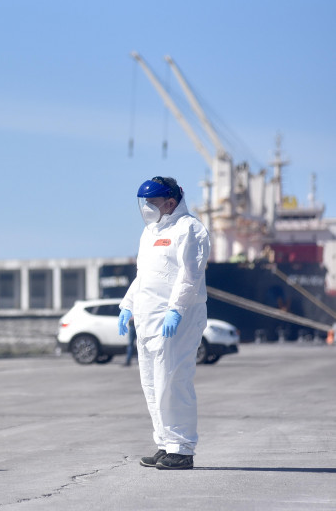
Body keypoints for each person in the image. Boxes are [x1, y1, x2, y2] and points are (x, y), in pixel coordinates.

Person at [117, 176, 210, 470]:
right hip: (147, 318)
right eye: (145, 203)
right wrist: (127, 306)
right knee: (152, 384)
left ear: (171, 202)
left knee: (174, 381)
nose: (147, 208)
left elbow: (190, 276)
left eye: (153, 202)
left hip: (177, 319)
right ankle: (165, 443)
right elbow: (144, 276)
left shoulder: (190, 229)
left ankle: (182, 449)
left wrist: (176, 310)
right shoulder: (150, 233)